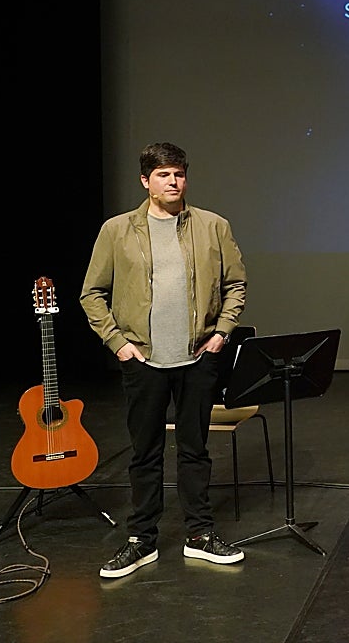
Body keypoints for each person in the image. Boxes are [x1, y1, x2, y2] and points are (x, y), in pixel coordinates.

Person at [81, 142, 248, 579]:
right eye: (163, 175)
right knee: (145, 453)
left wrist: (221, 334)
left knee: (195, 450)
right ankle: (141, 540)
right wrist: (118, 343)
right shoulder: (117, 231)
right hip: (143, 360)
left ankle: (199, 535)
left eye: (179, 174)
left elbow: (236, 284)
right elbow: (91, 294)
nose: (173, 182)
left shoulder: (213, 226)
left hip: (198, 358)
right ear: (145, 180)